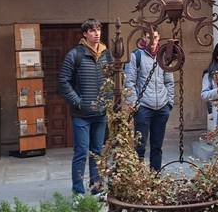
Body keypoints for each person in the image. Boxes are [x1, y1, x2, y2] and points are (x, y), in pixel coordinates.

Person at [59, 19, 114, 196]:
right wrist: (78, 102)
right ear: (84, 34)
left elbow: (110, 80)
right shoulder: (75, 54)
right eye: (92, 30)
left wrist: (108, 100)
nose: (96, 33)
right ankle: (78, 192)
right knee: (81, 152)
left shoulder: (106, 54)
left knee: (97, 153)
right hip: (81, 114)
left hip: (100, 113)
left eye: (98, 30)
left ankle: (96, 188)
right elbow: (63, 82)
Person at [124, 29, 174, 172]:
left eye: (156, 37)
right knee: (140, 146)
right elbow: (129, 83)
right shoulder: (136, 56)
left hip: (162, 107)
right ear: (144, 38)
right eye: (149, 37)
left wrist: (169, 102)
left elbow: (169, 82)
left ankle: (155, 176)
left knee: (157, 146)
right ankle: (138, 177)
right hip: (143, 107)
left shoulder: (163, 56)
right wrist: (135, 105)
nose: (153, 40)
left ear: (159, 38)